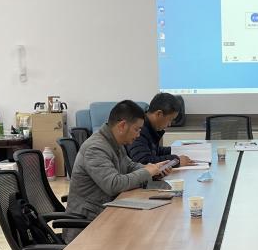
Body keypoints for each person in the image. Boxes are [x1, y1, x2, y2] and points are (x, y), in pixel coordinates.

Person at [64, 100, 173, 233]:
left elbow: (129, 166)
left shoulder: (114, 141)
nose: (138, 135)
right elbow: (113, 184)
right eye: (136, 129)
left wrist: (154, 170)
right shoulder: (95, 148)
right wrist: (147, 172)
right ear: (122, 126)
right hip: (87, 225)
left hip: (105, 213)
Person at [128, 92, 195, 166]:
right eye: (170, 119)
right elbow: (143, 161)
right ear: (159, 114)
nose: (169, 124)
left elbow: (154, 151)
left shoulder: (149, 127)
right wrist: (176, 161)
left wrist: (177, 150)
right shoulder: (139, 129)